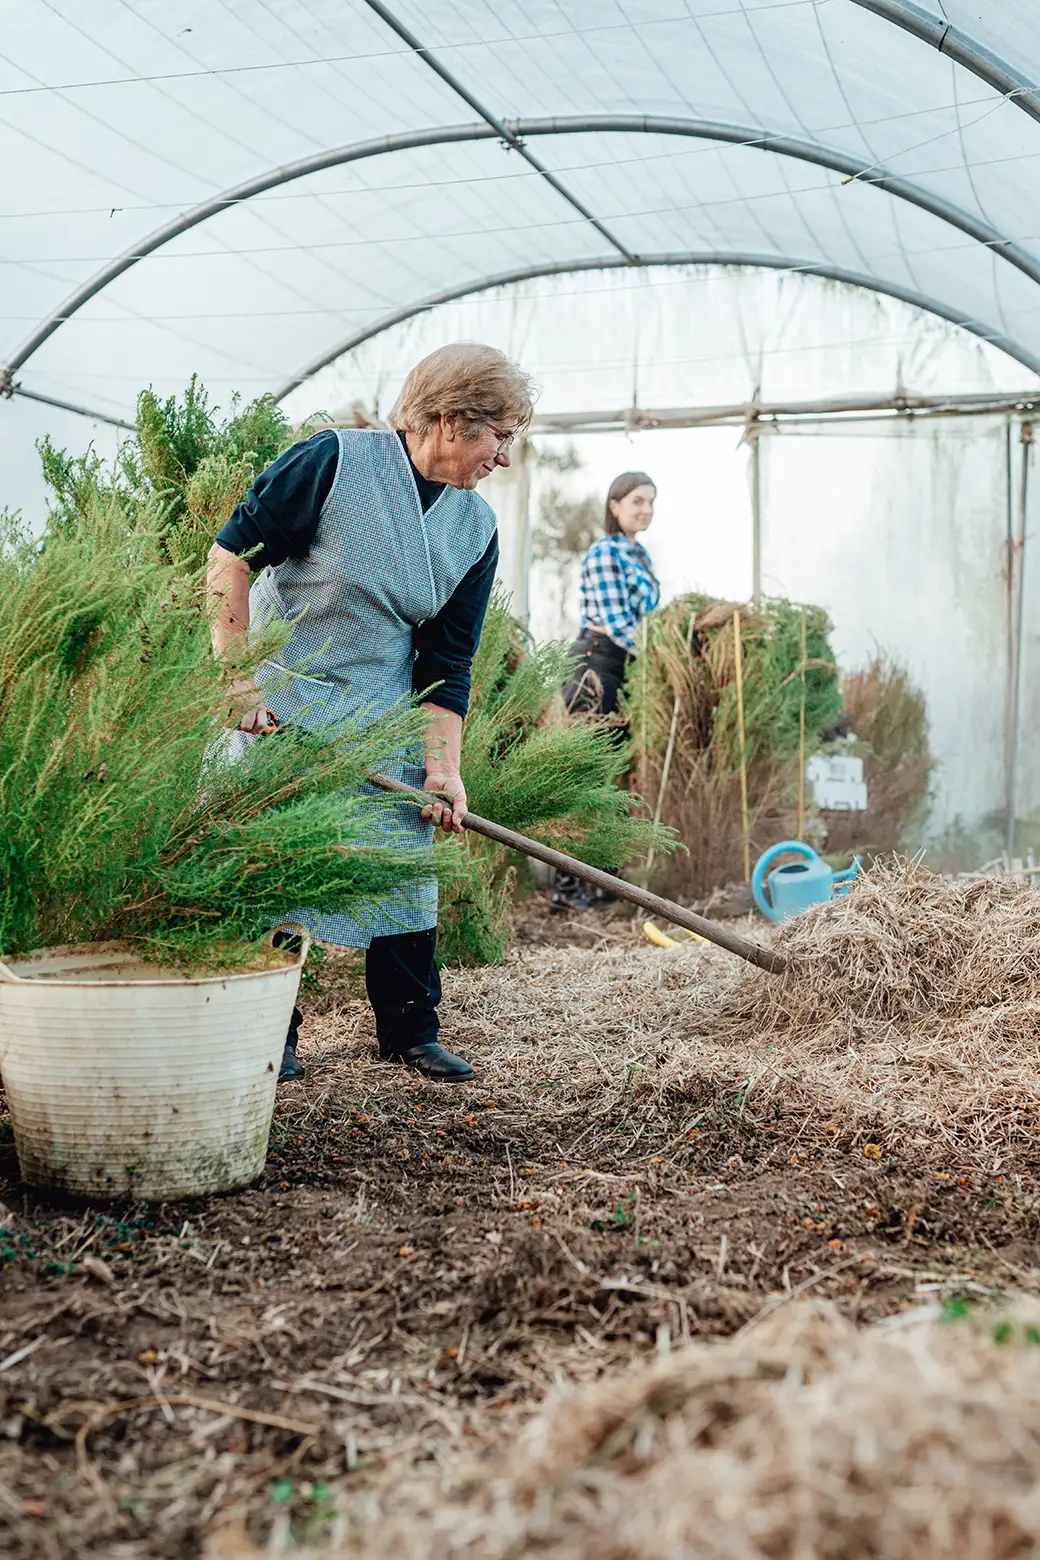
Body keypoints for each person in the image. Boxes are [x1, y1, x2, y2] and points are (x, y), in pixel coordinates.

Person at [207, 343, 534, 1084]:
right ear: (450, 420)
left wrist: (442, 771)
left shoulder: (473, 529)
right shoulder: (330, 463)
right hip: (281, 704)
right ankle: (271, 1030)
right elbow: (229, 559)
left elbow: (446, 666)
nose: (505, 458)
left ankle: (410, 1030)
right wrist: (236, 683)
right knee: (275, 864)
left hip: (381, 711)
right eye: (500, 437)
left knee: (402, 859)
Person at [553, 471, 660, 913]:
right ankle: (566, 891)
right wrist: (658, 654)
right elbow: (619, 623)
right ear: (614, 505)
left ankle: (606, 886)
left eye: (652, 502)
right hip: (596, 665)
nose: (646, 509)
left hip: (622, 666)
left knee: (613, 776)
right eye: (637, 501)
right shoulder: (604, 553)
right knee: (587, 777)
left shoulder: (640, 554)